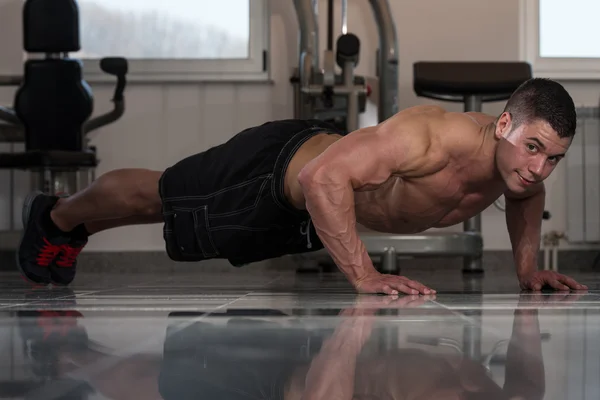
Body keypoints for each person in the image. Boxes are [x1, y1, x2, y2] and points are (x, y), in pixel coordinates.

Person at [16, 78, 588, 294]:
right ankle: (58, 217)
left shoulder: (517, 171)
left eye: (553, 159)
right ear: (506, 123)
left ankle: (72, 225)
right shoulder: (431, 137)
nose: (538, 170)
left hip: (306, 214)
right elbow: (324, 176)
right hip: (277, 169)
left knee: (178, 225)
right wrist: (363, 274)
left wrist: (526, 269)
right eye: (534, 148)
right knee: (160, 196)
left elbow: (527, 199)